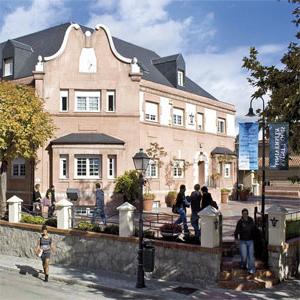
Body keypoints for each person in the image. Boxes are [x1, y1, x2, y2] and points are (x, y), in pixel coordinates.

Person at [234, 208, 256, 274]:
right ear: (242, 214)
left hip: (250, 241)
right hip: (242, 241)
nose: (245, 215)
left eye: (246, 213)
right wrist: (236, 239)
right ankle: (243, 264)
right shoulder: (240, 222)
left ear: (248, 214)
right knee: (244, 256)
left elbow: (254, 229)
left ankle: (251, 269)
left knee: (251, 256)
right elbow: (236, 231)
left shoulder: (251, 220)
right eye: (244, 214)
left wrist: (255, 238)